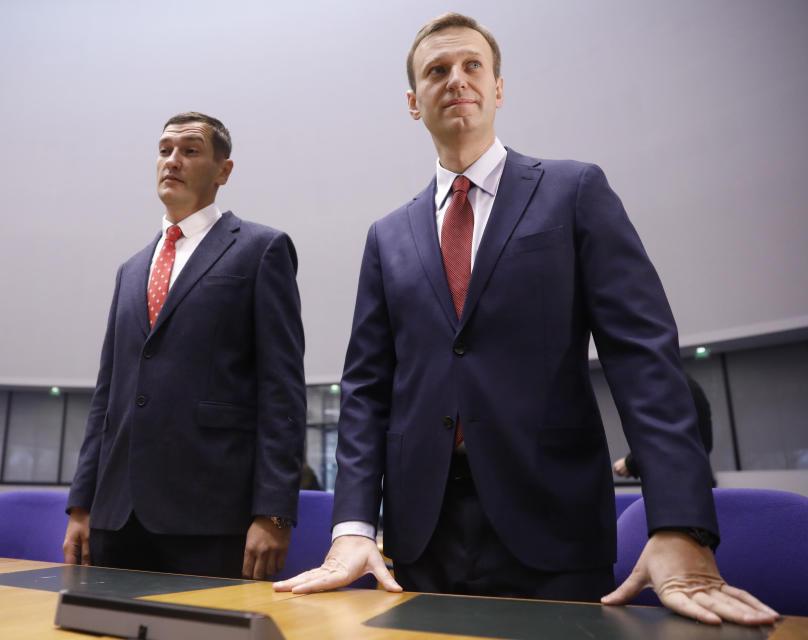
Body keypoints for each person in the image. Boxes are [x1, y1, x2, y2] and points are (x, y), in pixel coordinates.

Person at [275, 13, 777, 627]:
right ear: (414, 102)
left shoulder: (573, 191)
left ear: (499, 88)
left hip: (554, 524)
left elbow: (642, 355)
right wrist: (353, 525)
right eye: (437, 71)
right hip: (419, 538)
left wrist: (678, 520)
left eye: (472, 66)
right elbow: (366, 391)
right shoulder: (387, 236)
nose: (456, 79)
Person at [63, 112, 306, 581]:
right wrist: (82, 503)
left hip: (211, 518)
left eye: (190, 150)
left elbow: (282, 390)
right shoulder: (130, 270)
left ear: (223, 171)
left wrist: (274, 511)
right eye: (164, 150)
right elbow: (107, 397)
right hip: (115, 517)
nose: (172, 160)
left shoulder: (261, 250)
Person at [614, 374, 716, 486]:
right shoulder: (686, 383)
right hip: (697, 482)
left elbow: (665, 439)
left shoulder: (668, 387)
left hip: (676, 485)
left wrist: (630, 463)